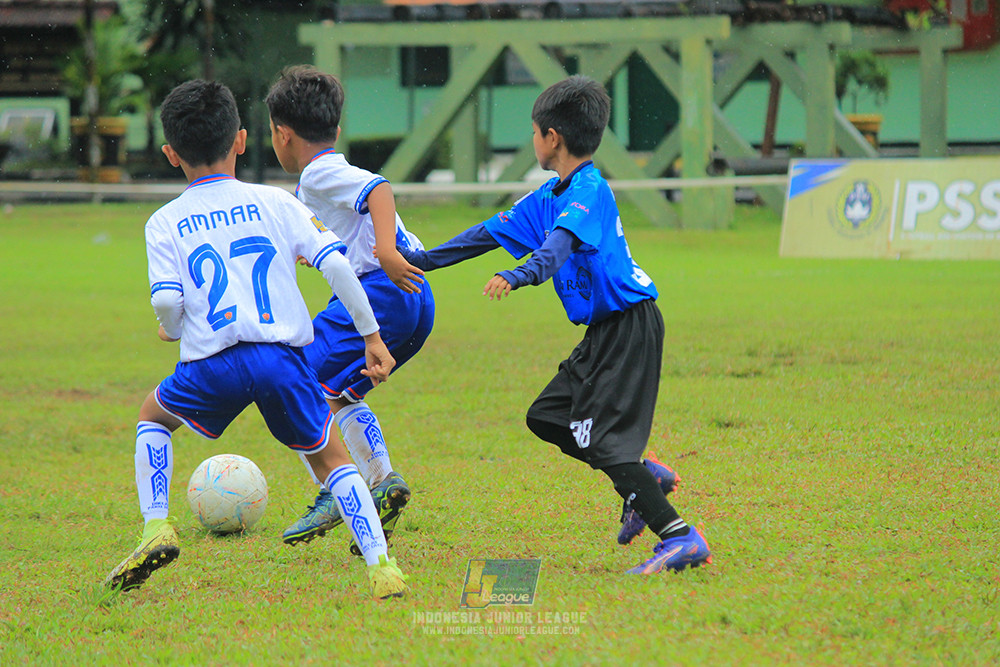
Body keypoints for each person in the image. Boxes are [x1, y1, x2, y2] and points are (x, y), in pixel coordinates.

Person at [104, 79, 407, 599]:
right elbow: (335, 265)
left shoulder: (163, 221)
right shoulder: (277, 203)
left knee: (153, 418)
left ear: (171, 153)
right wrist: (371, 336)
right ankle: (382, 568)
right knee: (332, 460)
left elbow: (165, 303)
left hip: (213, 363)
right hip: (282, 359)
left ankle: (156, 527)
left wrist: (174, 327)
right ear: (242, 140)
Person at [397, 75, 711, 574]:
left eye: (534, 133)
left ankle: (680, 537)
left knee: (606, 440)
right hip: (604, 332)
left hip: (631, 326)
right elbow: (486, 233)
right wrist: (416, 259)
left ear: (552, 138)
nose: (533, 141)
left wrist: (516, 275)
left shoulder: (590, 190)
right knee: (546, 416)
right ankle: (643, 476)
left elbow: (554, 251)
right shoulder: (549, 194)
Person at [265, 65, 434, 553]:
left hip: (381, 289)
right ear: (336, 129)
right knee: (333, 393)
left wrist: (384, 249)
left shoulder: (318, 171)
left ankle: (333, 491)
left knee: (290, 384)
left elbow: (377, 189)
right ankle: (381, 481)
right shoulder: (319, 181)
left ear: (282, 134)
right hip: (414, 302)